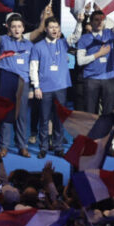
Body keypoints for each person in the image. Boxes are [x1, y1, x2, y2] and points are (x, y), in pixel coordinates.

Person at [0, 12, 45, 156]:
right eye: (14, 26)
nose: (17, 29)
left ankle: (22, 146)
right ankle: (4, 146)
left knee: (21, 115)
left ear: (23, 28)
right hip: (7, 80)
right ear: (9, 28)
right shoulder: (4, 41)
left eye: (19, 26)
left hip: (23, 82)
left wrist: (32, 87)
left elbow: (33, 66)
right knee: (6, 114)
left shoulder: (30, 45)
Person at [30, 15, 72, 158]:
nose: (54, 30)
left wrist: (79, 22)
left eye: (56, 27)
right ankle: (43, 147)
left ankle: (58, 147)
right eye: (51, 27)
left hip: (61, 87)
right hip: (44, 89)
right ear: (46, 29)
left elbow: (76, 36)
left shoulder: (63, 43)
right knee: (44, 119)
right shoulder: (37, 47)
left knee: (59, 119)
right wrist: (36, 87)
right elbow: (33, 68)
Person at [71, 8, 114, 115]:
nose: (99, 22)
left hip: (108, 78)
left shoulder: (110, 34)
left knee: (108, 112)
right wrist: (98, 54)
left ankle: (105, 127)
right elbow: (80, 61)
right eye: (96, 20)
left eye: (101, 19)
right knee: (90, 112)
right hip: (91, 79)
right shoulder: (84, 38)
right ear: (91, 22)